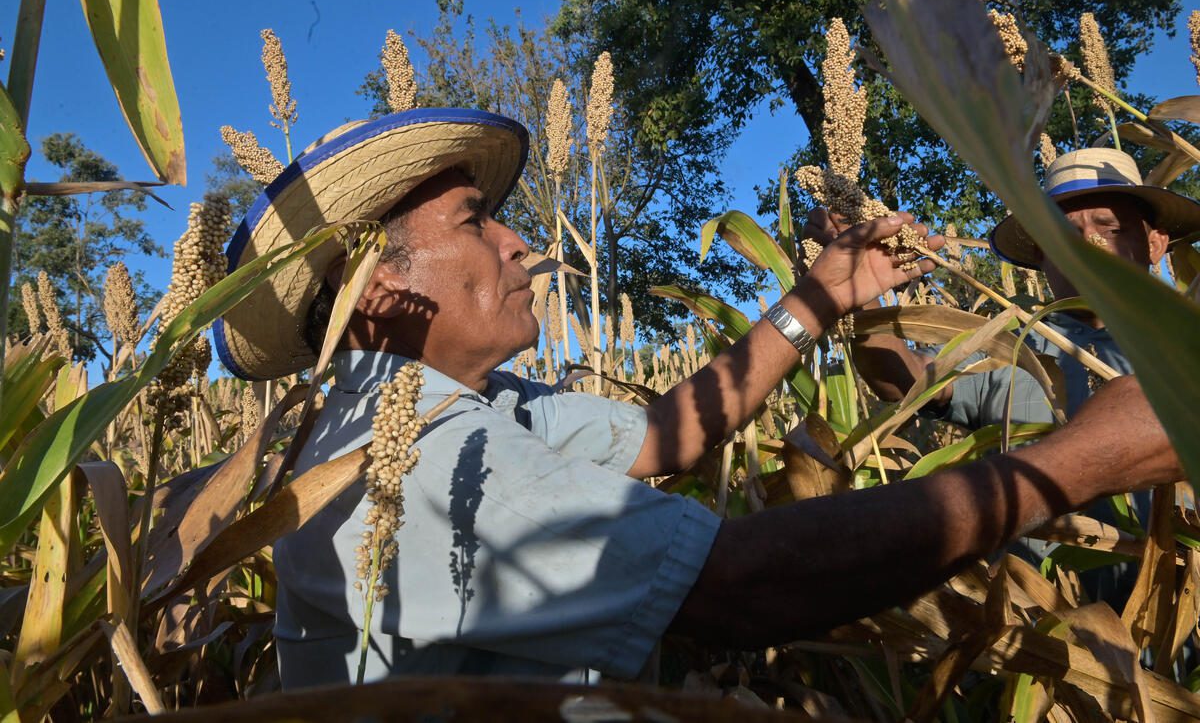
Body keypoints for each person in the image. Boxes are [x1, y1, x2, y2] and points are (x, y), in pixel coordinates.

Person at [214, 112, 1181, 689]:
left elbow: (668, 434)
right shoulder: (409, 451)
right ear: (379, 287)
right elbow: (736, 587)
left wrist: (819, 296)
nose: (517, 244)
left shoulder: (476, 407)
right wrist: (1087, 458)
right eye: (477, 222)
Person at [805, 147, 1200, 427]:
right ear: (1041, 255)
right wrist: (859, 297)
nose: (1083, 246)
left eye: (1109, 228)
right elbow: (904, 380)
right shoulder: (1008, 346)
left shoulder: (1189, 341)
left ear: (1154, 244)